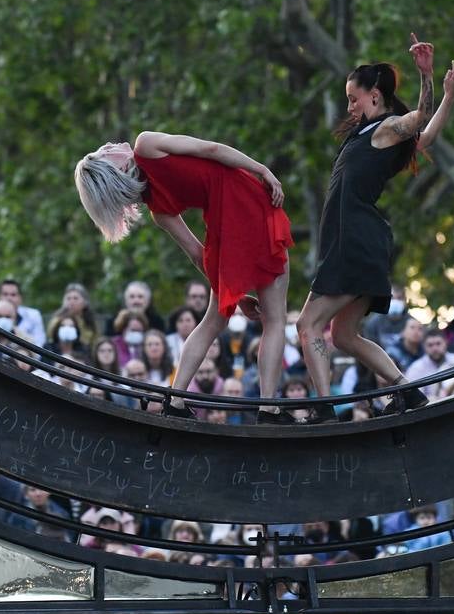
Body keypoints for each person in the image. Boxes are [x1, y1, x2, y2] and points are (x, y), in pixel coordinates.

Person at [75, 130, 294, 423]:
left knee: (213, 321)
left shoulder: (158, 211)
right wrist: (262, 169)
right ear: (117, 168)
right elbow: (212, 148)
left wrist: (236, 295)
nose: (110, 144)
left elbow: (196, 253)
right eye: (105, 151)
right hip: (247, 206)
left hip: (222, 231)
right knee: (275, 318)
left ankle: (176, 398)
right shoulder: (146, 145)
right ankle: (269, 407)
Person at [296, 40, 454, 421]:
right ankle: (408, 391)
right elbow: (427, 139)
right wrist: (451, 96)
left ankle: (324, 409)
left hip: (354, 241)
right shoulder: (370, 133)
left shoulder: (385, 128)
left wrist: (427, 75)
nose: (350, 106)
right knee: (341, 335)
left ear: (374, 95)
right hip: (354, 241)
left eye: (354, 98)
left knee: (309, 325)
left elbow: (421, 118)